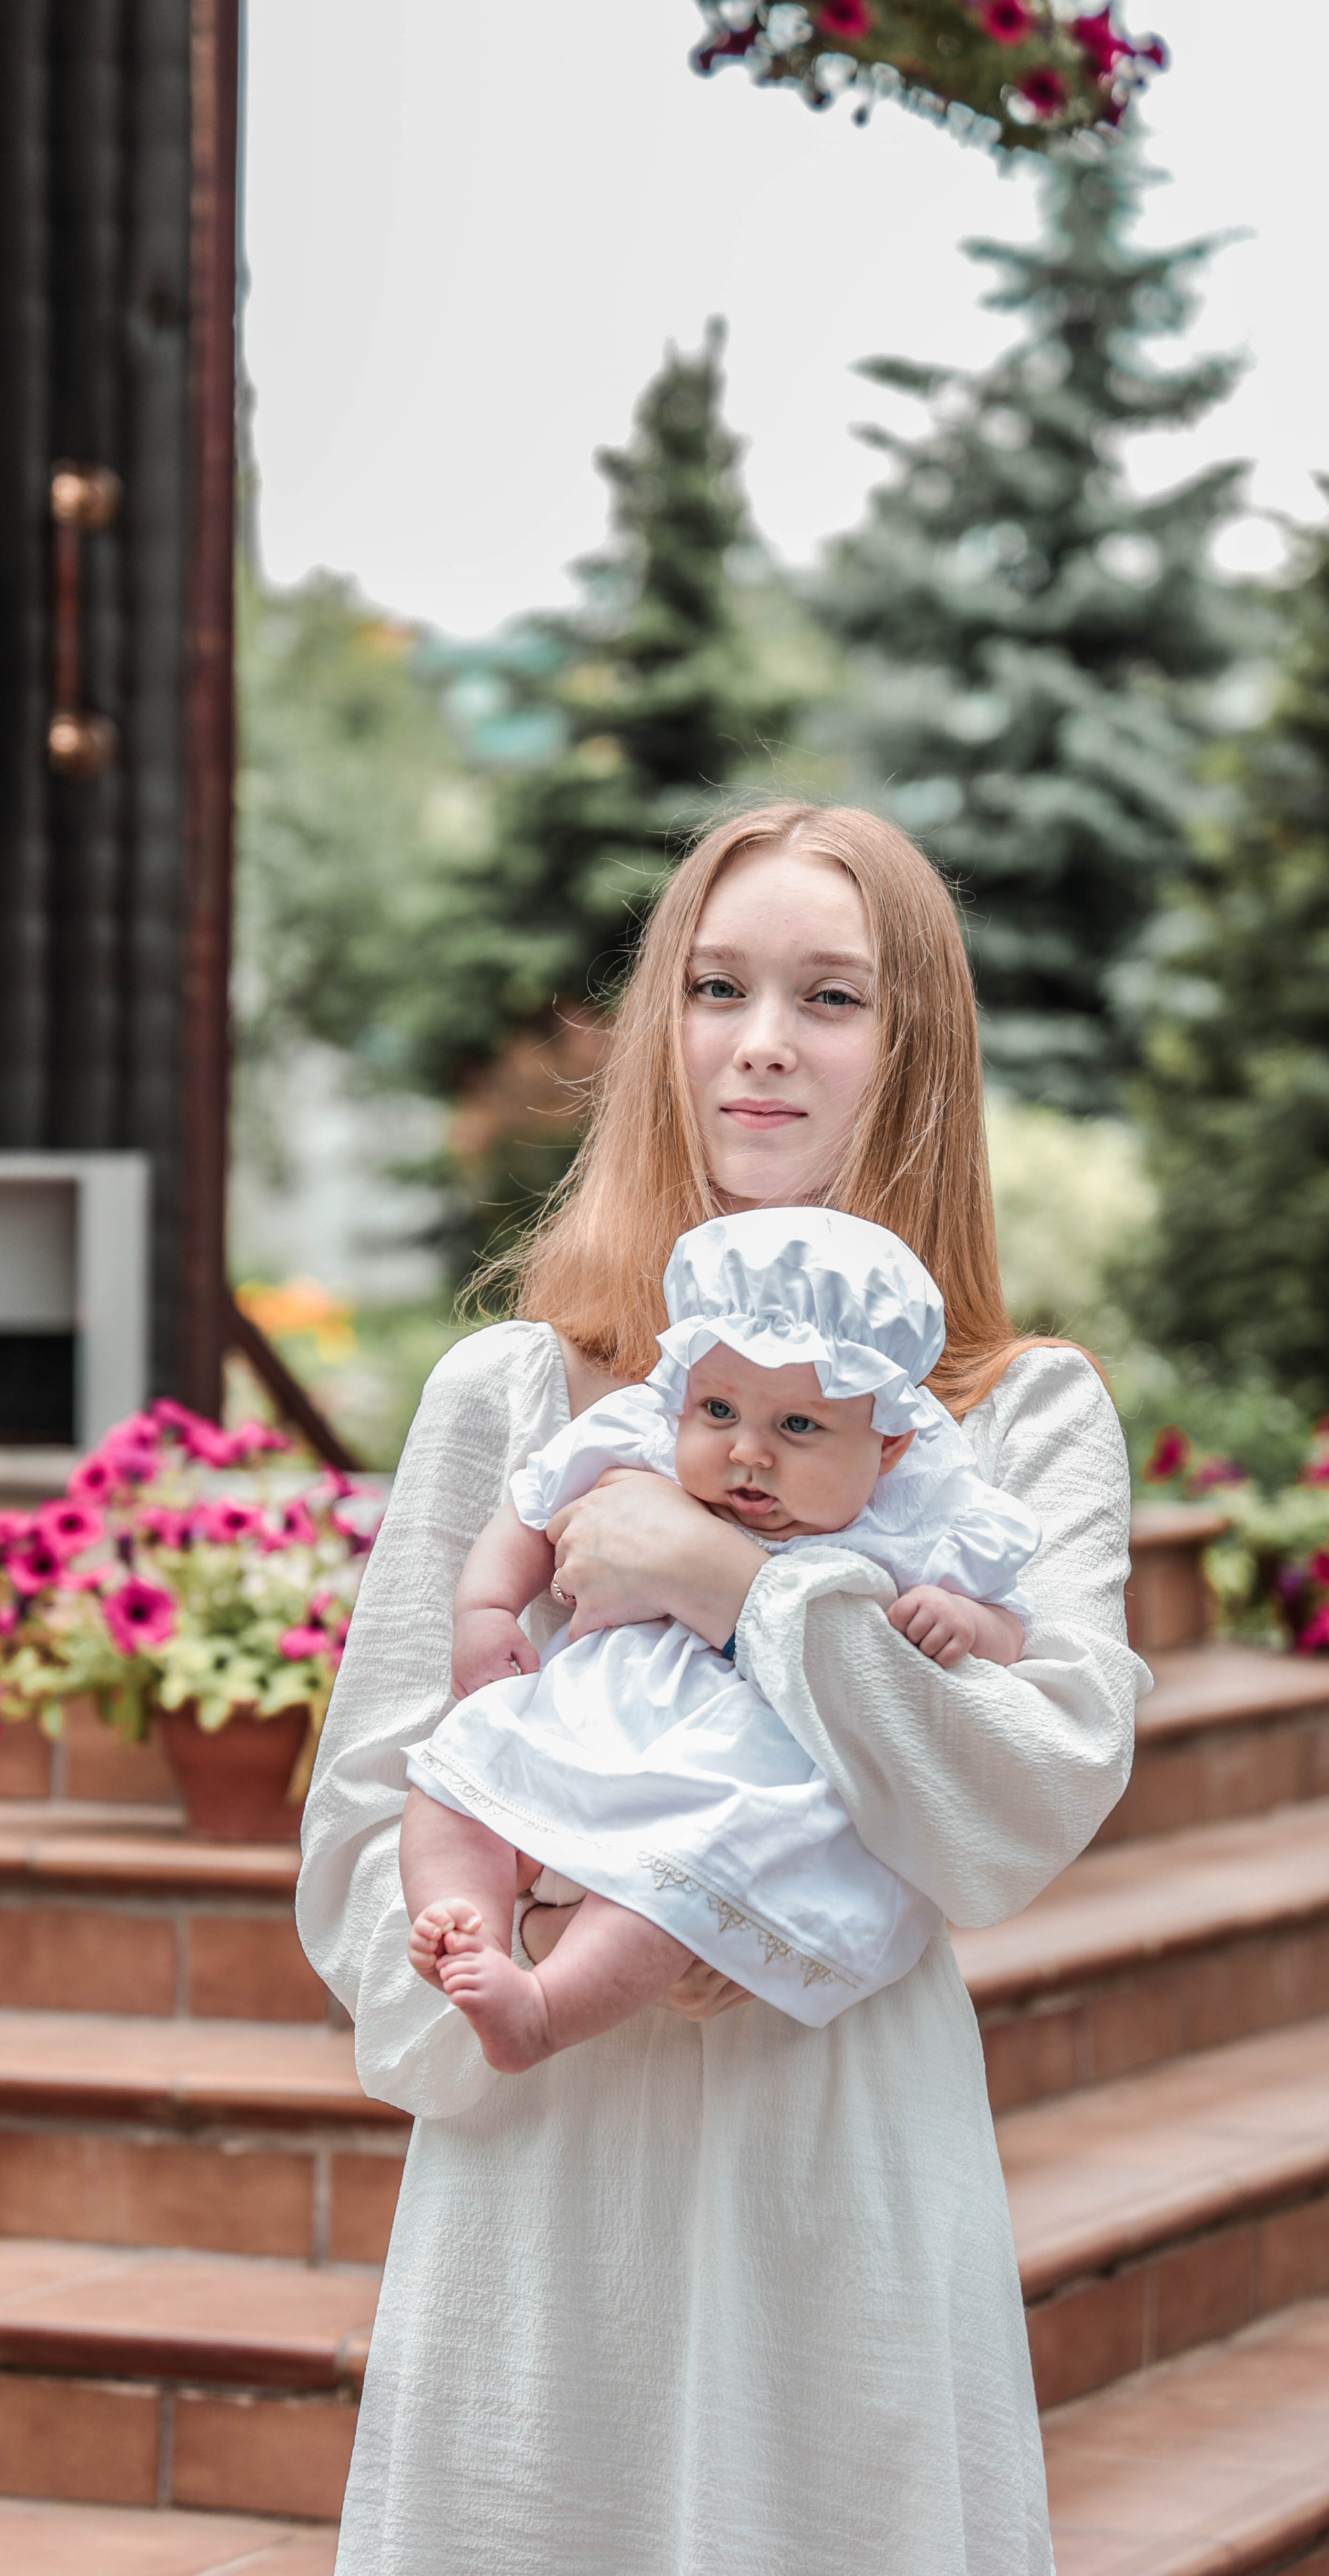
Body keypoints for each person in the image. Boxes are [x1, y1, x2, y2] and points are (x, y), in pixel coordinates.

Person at [297, 802, 1149, 2576]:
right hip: (550, 2163)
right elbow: (379, 1806)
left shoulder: (1016, 1423)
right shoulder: (519, 1400)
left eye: (830, 998)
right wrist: (526, 1952)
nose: (762, 1041)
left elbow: (1020, 1800)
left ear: (912, 1053)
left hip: (831, 2137)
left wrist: (739, 1584)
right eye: (718, 987)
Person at [402, 1206, 1039, 2072]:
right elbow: (533, 1506)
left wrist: (970, 1624)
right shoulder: (646, 1437)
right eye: (718, 1408)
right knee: (460, 1772)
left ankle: (543, 2011)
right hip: (594, 1716)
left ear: (887, 1444)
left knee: (685, 1877)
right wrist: (483, 1612)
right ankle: (461, 1923)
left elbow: (1009, 1629)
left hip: (736, 1775)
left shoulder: (923, 1505)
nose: (747, 1453)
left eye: (799, 1427)